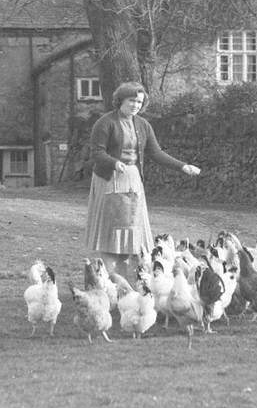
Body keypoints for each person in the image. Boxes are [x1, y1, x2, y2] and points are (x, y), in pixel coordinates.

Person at [83, 81, 201, 277]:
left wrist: (182, 166)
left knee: (132, 230)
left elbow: (156, 152)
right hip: (110, 179)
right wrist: (114, 163)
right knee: (111, 232)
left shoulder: (143, 125)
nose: (136, 105)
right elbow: (96, 152)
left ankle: (126, 279)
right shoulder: (105, 123)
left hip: (133, 180)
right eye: (131, 100)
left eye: (139, 101)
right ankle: (108, 280)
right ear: (120, 100)